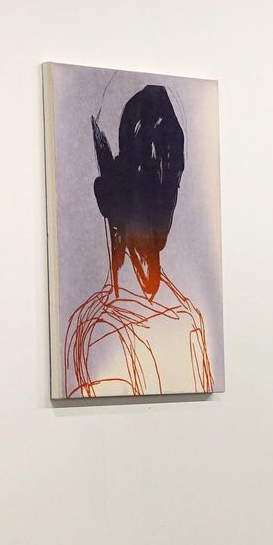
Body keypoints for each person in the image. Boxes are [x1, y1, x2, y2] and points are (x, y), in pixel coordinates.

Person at [64, 84, 214, 398]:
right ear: (106, 194)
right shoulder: (104, 332)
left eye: (172, 173)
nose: (164, 194)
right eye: (146, 172)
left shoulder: (189, 318)